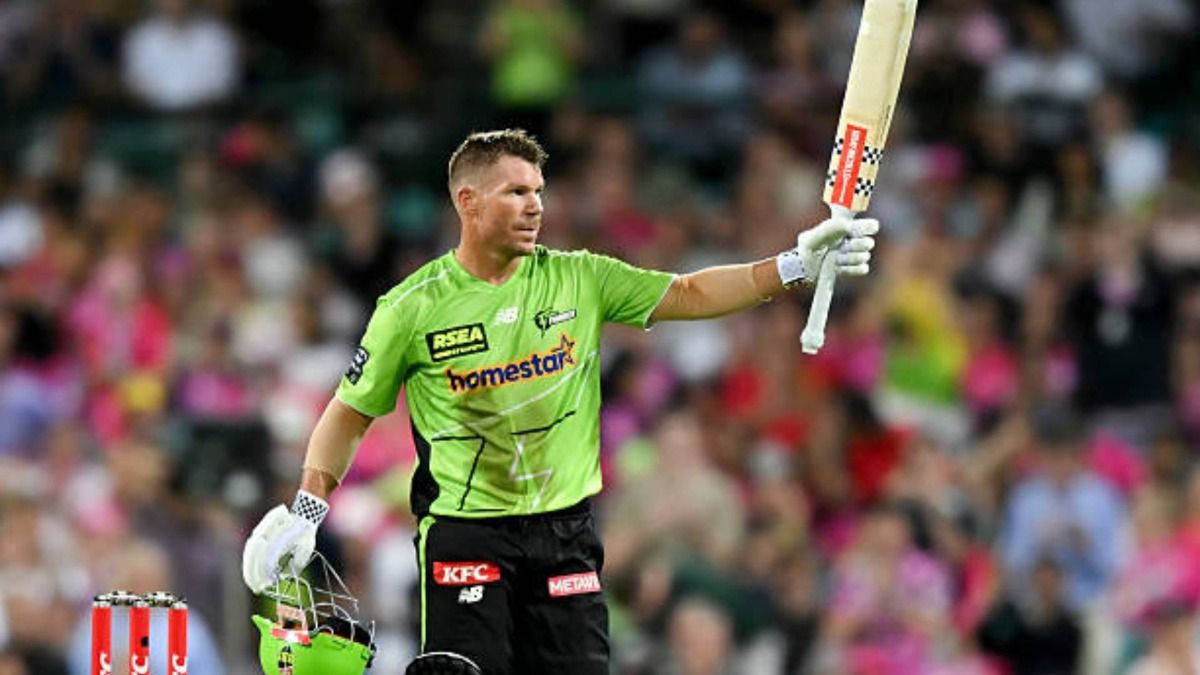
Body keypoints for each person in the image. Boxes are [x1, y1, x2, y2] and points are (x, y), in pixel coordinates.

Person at [241, 128, 878, 674]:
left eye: (539, 192)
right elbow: (350, 413)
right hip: (466, 532)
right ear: (468, 201)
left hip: (565, 531)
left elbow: (688, 293)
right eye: (516, 192)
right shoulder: (412, 307)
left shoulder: (581, 277)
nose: (534, 205)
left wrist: (794, 265)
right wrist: (307, 506)